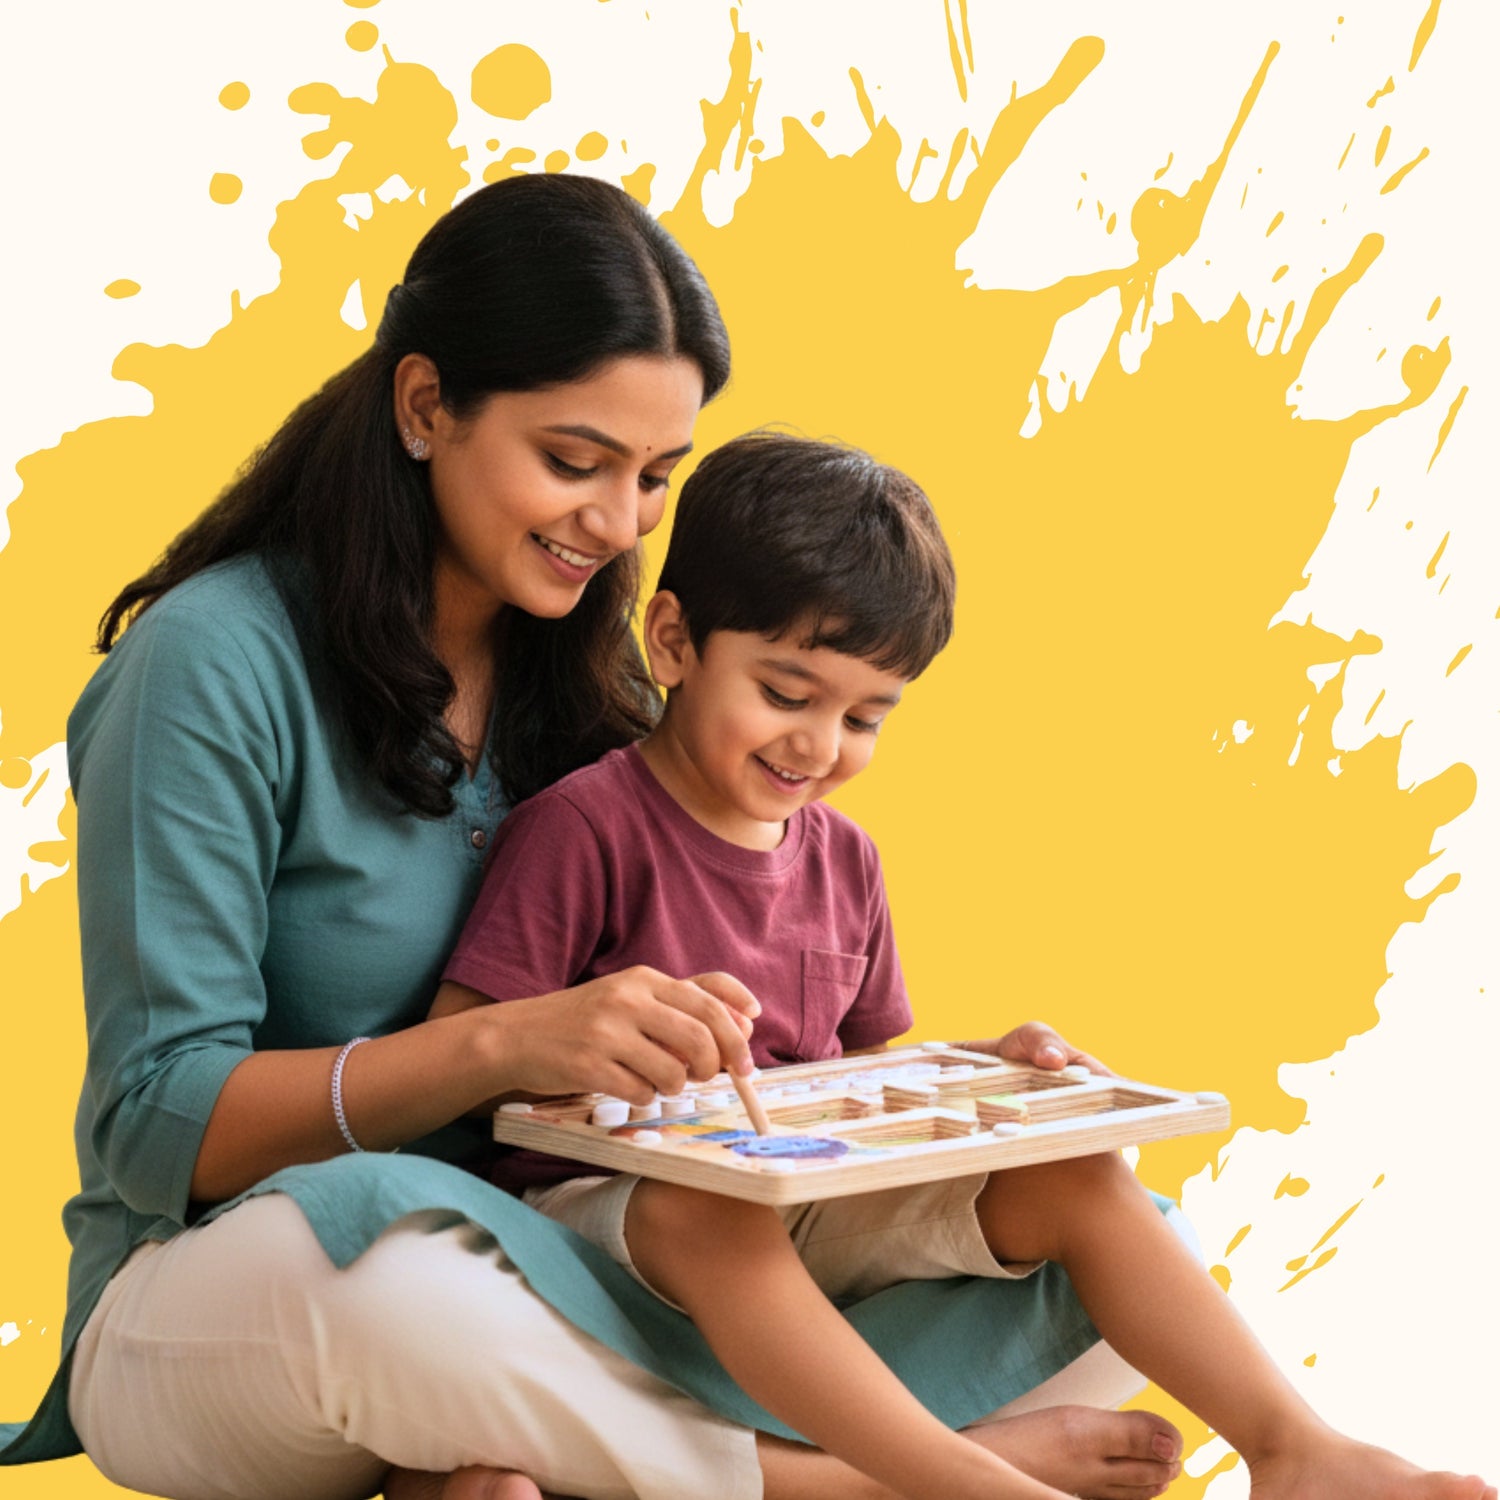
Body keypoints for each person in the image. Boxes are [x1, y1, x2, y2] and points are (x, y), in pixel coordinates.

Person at [0, 172, 1199, 1500]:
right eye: (574, 463)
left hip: (565, 1268)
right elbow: (158, 1125)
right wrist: (502, 1042)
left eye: (653, 477)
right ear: (424, 405)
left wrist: (958, 1096)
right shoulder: (213, 665)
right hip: (245, 1293)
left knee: (1113, 1243)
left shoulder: (591, 689)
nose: (618, 522)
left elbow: (762, 1076)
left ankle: (536, 1471)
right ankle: (868, 1481)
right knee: (392, 1287)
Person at [432, 432, 1498, 1500]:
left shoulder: (845, 859)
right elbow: (460, 1064)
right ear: (673, 641)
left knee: (1077, 1172)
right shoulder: (585, 828)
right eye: (786, 693)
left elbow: (854, 1092)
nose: (817, 745)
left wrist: (982, 1074)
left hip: (786, 1210)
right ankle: (955, 1480)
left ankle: (1292, 1446)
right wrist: (592, 1055)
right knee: (707, 1212)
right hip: (612, 1217)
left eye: (864, 717)